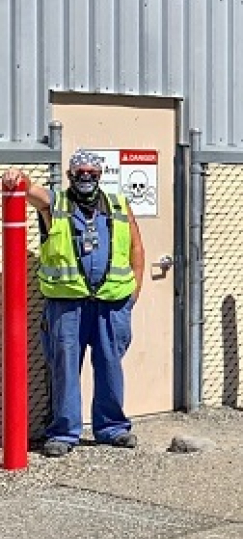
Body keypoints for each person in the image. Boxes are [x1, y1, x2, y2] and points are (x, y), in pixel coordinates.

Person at [2, 151, 145, 457]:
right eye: (80, 172)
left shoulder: (118, 204)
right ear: (69, 175)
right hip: (67, 306)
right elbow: (31, 191)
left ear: (100, 175)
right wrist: (18, 176)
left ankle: (112, 428)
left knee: (110, 365)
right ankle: (64, 433)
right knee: (65, 367)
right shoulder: (56, 204)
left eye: (92, 172)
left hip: (112, 303)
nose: (86, 177)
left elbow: (136, 246)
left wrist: (135, 291)